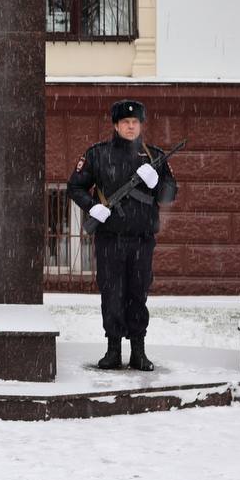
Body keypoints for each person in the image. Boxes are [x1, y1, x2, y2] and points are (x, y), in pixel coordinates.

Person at [67, 99, 177, 371]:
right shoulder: (97, 154)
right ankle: (113, 349)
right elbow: (75, 187)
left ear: (141, 125)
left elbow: (170, 194)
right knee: (112, 293)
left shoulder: (155, 157)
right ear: (116, 125)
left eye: (135, 122)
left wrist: (157, 182)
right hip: (110, 239)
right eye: (125, 122)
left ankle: (138, 351)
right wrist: (93, 207)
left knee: (138, 293)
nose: (131, 126)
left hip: (141, 239)